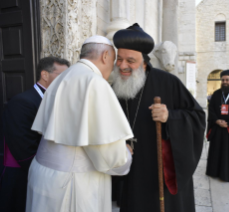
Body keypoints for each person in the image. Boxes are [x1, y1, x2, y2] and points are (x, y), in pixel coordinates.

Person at [25, 36, 134, 212]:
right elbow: (107, 156)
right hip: (72, 184)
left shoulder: (62, 77)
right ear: (105, 56)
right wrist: (125, 156)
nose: (114, 67)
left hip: (43, 174)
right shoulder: (95, 82)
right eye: (114, 60)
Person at [112, 23, 206, 212]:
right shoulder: (115, 86)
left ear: (144, 63)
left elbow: (197, 117)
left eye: (130, 60)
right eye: (119, 59)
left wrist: (170, 117)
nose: (123, 66)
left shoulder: (168, 82)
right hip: (131, 169)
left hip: (161, 172)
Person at [0, 57, 69, 212]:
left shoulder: (56, 100)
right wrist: (47, 173)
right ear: (44, 75)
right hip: (23, 176)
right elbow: (23, 147)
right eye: (62, 75)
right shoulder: (22, 101)